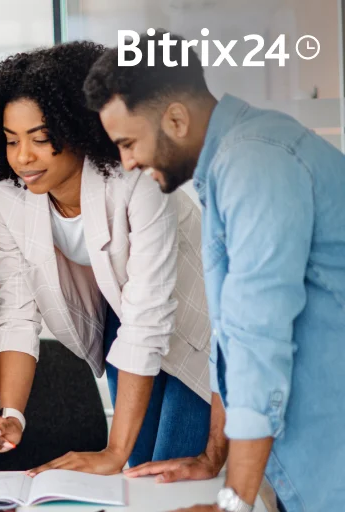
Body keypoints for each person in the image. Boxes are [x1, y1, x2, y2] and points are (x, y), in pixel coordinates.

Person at [83, 30, 345, 512]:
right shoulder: (226, 167)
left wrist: (234, 503)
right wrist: (211, 456)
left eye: (128, 142)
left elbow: (257, 341)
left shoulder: (255, 165)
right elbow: (230, 335)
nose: (127, 162)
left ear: (176, 119)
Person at [0, 41, 212, 475]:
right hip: (123, 321)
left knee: (168, 471)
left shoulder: (134, 177)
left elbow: (149, 318)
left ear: (78, 128)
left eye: (41, 139)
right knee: (140, 470)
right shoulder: (11, 195)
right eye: (10, 141)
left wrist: (112, 453)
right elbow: (19, 312)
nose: (23, 157)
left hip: (194, 327)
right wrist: (12, 416)